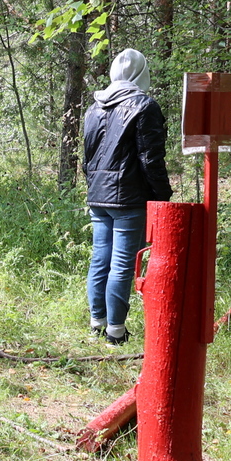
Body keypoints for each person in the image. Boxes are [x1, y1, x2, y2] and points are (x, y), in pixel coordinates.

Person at [84, 47, 171, 345]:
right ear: (141, 73)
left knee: (100, 259)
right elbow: (151, 159)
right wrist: (162, 197)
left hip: (98, 195)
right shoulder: (145, 106)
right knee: (121, 263)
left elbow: (88, 155)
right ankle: (116, 332)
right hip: (129, 198)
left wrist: (93, 187)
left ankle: (98, 323)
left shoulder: (94, 107)